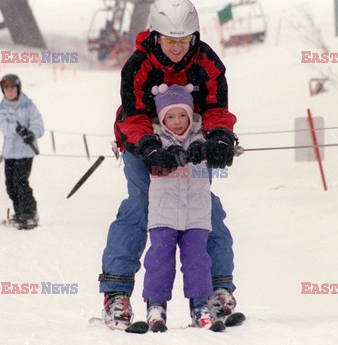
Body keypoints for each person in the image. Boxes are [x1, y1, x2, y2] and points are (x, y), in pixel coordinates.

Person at [99, 0, 240, 330]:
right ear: (155, 35)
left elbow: (218, 108)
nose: (176, 48)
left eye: (183, 40)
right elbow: (133, 115)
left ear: (194, 36)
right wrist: (148, 148)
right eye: (169, 41)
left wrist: (220, 137)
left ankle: (218, 290)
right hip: (144, 146)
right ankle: (116, 293)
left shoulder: (206, 62)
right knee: (139, 208)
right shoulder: (138, 65)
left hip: (190, 145)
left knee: (206, 211)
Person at [143, 84, 224, 332]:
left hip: (196, 215)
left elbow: (219, 158)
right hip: (163, 215)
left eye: (182, 115)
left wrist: (212, 150)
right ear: (161, 118)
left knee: (198, 261)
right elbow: (152, 165)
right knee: (159, 261)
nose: (177, 122)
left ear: (190, 115)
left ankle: (200, 306)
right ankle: (156, 307)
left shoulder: (202, 139)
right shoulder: (155, 142)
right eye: (170, 116)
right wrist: (167, 157)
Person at [0, 74, 44, 230]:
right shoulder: (2, 108)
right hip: (10, 153)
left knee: (20, 182)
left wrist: (31, 133)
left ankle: (30, 214)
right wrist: (16, 129)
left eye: (12, 88)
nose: (10, 92)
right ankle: (19, 212)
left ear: (18, 89)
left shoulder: (28, 105)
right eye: (6, 89)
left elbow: (38, 125)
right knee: (10, 185)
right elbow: (3, 126)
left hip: (25, 153)